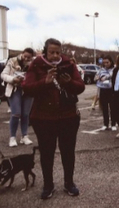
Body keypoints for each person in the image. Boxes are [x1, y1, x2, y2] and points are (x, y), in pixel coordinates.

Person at [22, 38, 85, 199]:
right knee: (47, 152)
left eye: (58, 52)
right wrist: (45, 82)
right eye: (52, 52)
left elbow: (81, 87)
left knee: (68, 151)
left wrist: (69, 82)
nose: (55, 55)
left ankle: (69, 183)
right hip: (43, 118)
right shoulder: (36, 65)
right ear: (45, 51)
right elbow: (27, 88)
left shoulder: (69, 64)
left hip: (68, 116)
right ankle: (48, 185)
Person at [1, 48, 36, 147]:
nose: (26, 59)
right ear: (22, 54)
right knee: (16, 113)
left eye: (29, 57)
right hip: (14, 89)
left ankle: (24, 136)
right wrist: (13, 79)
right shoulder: (12, 61)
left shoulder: (33, 64)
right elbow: (3, 75)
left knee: (25, 114)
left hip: (28, 90)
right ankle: (12, 137)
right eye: (25, 56)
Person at [94, 55, 116, 132]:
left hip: (111, 90)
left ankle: (113, 124)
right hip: (103, 89)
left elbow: (111, 75)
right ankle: (105, 124)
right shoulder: (101, 69)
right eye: (104, 63)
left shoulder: (114, 69)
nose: (106, 64)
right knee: (104, 108)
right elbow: (96, 77)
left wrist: (105, 77)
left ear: (111, 62)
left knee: (112, 107)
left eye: (107, 62)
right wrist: (97, 78)